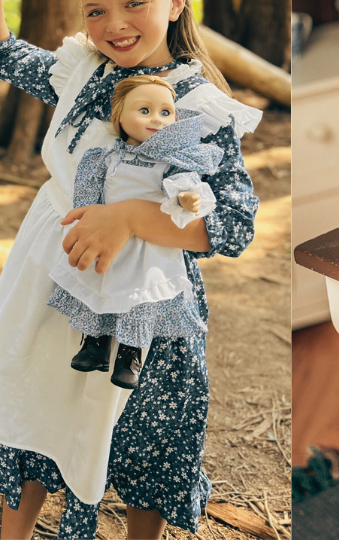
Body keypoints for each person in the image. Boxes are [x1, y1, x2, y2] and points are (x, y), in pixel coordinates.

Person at [0, 0, 261, 540]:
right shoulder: (84, 72)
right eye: (96, 10)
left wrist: (129, 218)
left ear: (175, 2)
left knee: (143, 438)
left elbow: (234, 223)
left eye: (134, 4)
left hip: (146, 305)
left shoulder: (195, 106)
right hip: (51, 279)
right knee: (38, 410)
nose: (114, 24)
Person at [50, 74, 216, 389]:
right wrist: (87, 217)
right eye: (144, 110)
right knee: (98, 287)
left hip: (148, 245)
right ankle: (94, 344)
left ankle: (130, 355)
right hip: (107, 237)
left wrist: (185, 198)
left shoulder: (171, 163)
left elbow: (181, 191)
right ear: (120, 116)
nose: (156, 119)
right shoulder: (104, 158)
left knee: (140, 301)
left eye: (165, 112)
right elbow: (88, 193)